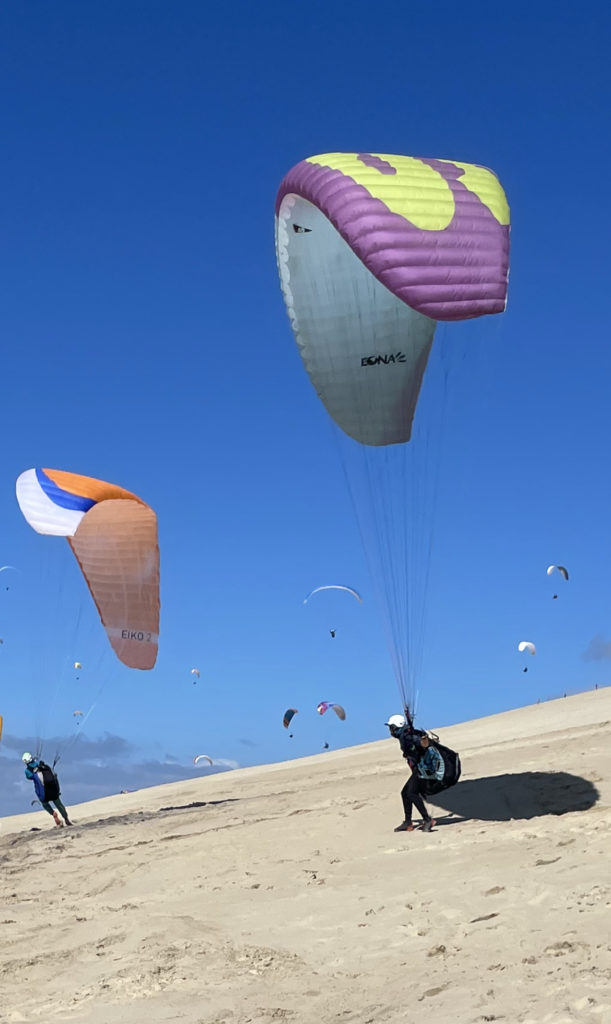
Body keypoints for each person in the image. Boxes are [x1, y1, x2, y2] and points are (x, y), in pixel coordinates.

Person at [385, 715, 441, 833]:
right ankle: (408, 822)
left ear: (397, 727)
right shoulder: (405, 735)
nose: (390, 731)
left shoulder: (407, 736)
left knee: (411, 793)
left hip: (424, 769)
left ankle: (427, 819)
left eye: (391, 728)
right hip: (420, 769)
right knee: (405, 793)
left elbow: (420, 743)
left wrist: (423, 742)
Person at [22, 753, 73, 827]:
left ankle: (53, 813)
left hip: (42, 792)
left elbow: (29, 777)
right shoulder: (39, 763)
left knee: (44, 803)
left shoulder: (27, 771)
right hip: (52, 789)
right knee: (58, 804)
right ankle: (66, 818)